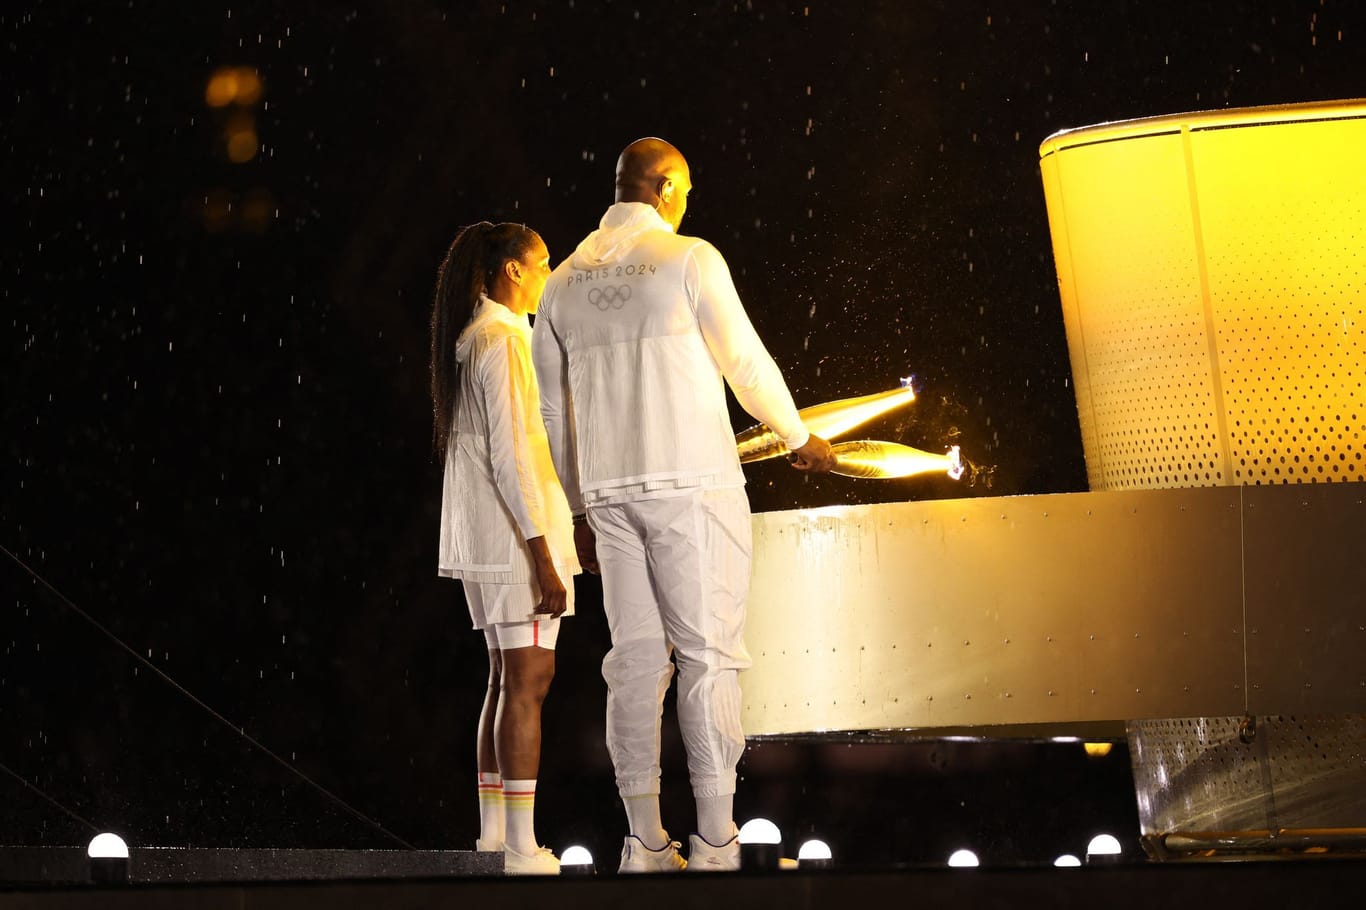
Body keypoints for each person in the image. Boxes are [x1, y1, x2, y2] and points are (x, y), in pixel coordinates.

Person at [532, 138, 836, 873]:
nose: (688, 203)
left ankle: (642, 841)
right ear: (664, 186)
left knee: (633, 665)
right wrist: (799, 435)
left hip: (608, 493)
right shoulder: (689, 259)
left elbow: (550, 408)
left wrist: (575, 505)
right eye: (686, 189)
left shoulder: (564, 282)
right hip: (692, 485)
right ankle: (717, 840)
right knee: (709, 659)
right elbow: (745, 363)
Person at [430, 221, 580, 876]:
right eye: (542, 263)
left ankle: (496, 837)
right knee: (528, 681)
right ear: (513, 271)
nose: (549, 274)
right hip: (515, 537)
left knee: (504, 679)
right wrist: (544, 555)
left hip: (488, 538)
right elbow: (514, 454)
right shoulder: (503, 341)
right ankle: (519, 845)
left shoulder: (474, 341)